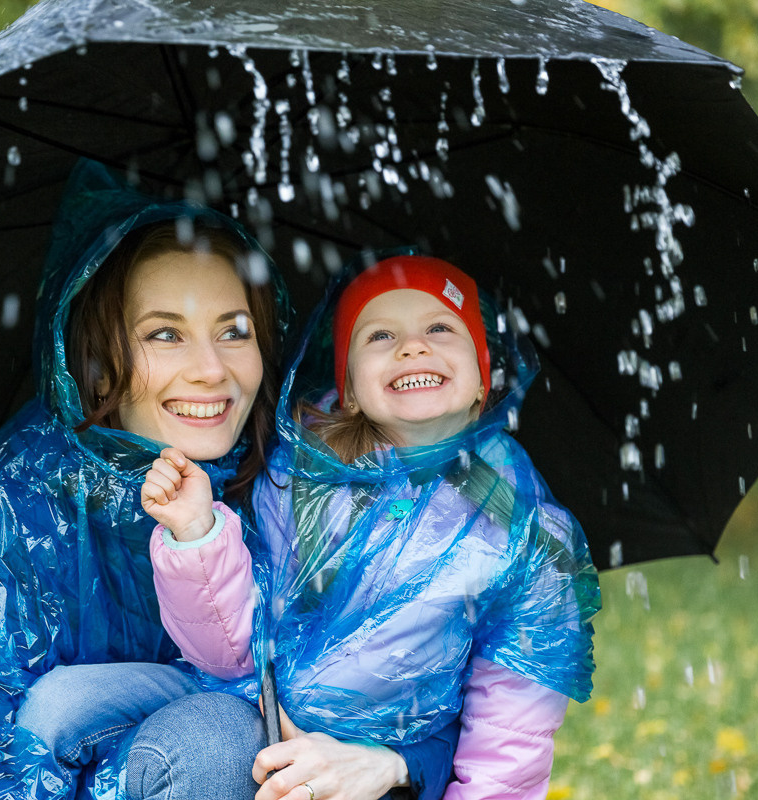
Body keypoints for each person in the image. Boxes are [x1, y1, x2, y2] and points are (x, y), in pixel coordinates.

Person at [0, 160, 286, 800]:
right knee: (160, 728)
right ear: (98, 366)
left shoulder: (292, 479)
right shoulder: (8, 507)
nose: (211, 369)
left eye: (234, 332)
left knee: (220, 733)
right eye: (166, 334)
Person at [142, 254, 600, 800]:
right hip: (258, 733)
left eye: (440, 328)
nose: (413, 347)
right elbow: (230, 649)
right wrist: (196, 535)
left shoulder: (525, 534)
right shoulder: (298, 484)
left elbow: (511, 734)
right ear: (351, 389)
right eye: (381, 334)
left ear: (483, 380)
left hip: (390, 781)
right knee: (67, 708)